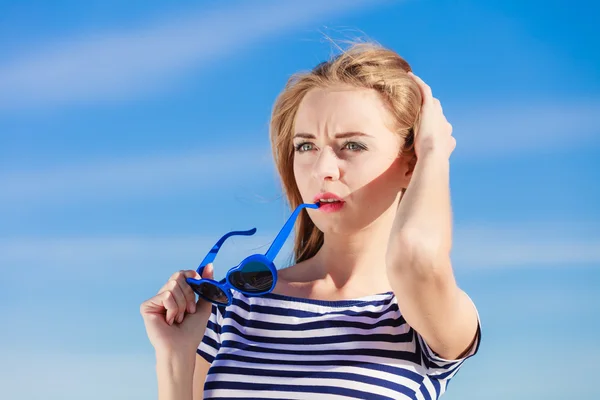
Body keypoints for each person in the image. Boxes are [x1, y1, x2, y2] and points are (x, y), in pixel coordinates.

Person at [141, 42, 481, 400]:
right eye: (306, 146)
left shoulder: (420, 320)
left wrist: (434, 151)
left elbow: (416, 258)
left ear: (409, 165)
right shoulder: (233, 307)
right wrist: (174, 357)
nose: (322, 170)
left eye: (352, 146)